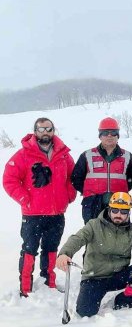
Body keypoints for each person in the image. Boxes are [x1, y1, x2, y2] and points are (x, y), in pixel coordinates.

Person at [3, 118, 76, 297]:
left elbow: (73, 177)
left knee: (51, 248)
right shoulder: (23, 155)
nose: (45, 132)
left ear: (53, 131)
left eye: (49, 129)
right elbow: (9, 179)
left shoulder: (64, 154)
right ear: (35, 131)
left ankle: (48, 283)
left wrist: (68, 195)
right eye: (41, 129)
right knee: (29, 249)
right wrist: (24, 199)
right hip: (33, 213)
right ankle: (25, 288)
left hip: (57, 213)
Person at [55, 192, 132, 317]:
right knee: (85, 312)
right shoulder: (94, 225)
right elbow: (77, 239)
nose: (118, 215)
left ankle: (125, 297)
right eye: (115, 210)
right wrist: (64, 253)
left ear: (128, 213)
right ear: (109, 209)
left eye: (123, 212)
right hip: (95, 277)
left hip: (119, 276)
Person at [71, 117, 132, 223]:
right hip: (92, 204)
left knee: (119, 236)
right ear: (100, 136)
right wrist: (89, 192)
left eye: (113, 133)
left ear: (117, 136)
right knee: (93, 235)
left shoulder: (127, 156)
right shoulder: (87, 155)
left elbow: (131, 180)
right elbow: (76, 178)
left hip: (119, 205)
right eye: (105, 133)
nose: (109, 136)